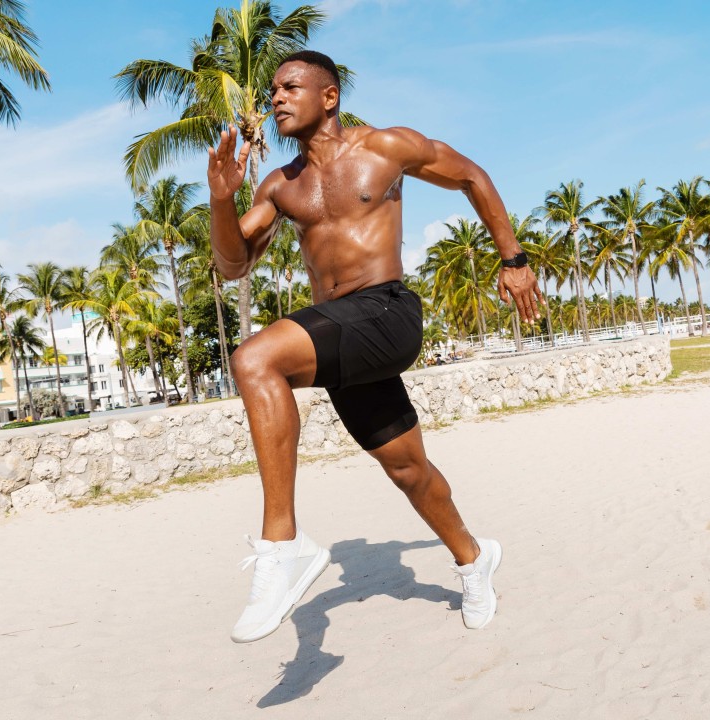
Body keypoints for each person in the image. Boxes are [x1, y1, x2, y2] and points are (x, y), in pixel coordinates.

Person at [208, 50, 544, 643]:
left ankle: (281, 544)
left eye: (290, 87)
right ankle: (474, 558)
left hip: (386, 311)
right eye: (273, 91)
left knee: (254, 357)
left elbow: (471, 175)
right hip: (339, 332)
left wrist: (512, 258)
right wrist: (220, 201)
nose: (277, 98)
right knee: (408, 470)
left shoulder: (384, 149)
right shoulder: (280, 186)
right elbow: (234, 265)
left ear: (328, 96)